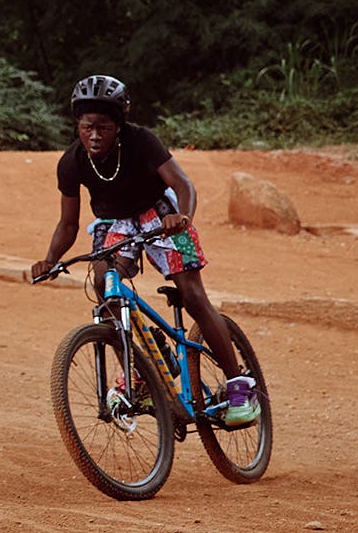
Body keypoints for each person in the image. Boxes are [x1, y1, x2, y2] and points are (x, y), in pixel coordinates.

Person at [31, 74, 260, 425]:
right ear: (77, 125)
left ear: (119, 126)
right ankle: (139, 369)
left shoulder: (142, 141)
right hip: (114, 223)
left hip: (163, 214)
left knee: (192, 294)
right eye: (87, 126)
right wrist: (50, 259)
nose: (94, 135)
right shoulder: (72, 162)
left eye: (104, 128)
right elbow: (68, 224)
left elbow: (183, 184)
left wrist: (183, 217)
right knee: (104, 284)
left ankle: (238, 384)